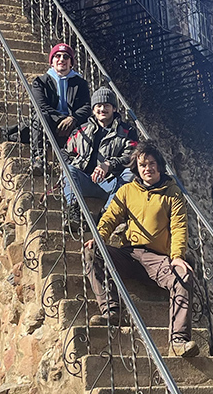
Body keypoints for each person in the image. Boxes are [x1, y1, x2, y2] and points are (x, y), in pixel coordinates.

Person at [83, 141, 198, 357]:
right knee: (91, 252)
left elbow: (179, 226)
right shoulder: (127, 190)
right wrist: (100, 237)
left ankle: (179, 340)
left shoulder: (172, 193)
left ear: (159, 166)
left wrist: (177, 257)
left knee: (183, 276)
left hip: (158, 258)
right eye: (143, 164)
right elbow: (110, 217)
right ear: (137, 167)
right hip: (130, 254)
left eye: (152, 163)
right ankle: (111, 311)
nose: (147, 168)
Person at [0, 43, 91, 168]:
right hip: (49, 122)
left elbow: (86, 107)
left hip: (72, 126)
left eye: (66, 57)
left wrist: (72, 118)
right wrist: (63, 120)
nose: (61, 59)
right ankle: (38, 158)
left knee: (90, 127)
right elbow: (40, 106)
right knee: (40, 116)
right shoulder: (40, 82)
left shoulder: (80, 83)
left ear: (71, 63)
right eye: (57, 56)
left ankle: (81, 164)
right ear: (52, 62)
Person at [62, 87, 137, 216]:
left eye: (107, 105)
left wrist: (109, 164)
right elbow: (65, 152)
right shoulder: (81, 131)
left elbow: (132, 156)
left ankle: (108, 212)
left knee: (131, 172)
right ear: (93, 109)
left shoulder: (127, 131)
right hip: (84, 180)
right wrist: (73, 163)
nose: (102, 109)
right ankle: (73, 212)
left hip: (111, 183)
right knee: (68, 169)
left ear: (114, 108)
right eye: (99, 105)